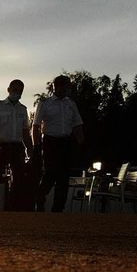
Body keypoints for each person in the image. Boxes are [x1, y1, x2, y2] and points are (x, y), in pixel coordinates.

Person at [32, 74, 85, 212]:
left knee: (64, 176)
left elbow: (77, 124)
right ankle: (40, 196)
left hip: (66, 142)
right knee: (50, 173)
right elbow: (36, 125)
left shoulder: (71, 104)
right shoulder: (45, 103)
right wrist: (36, 145)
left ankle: (58, 209)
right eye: (64, 86)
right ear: (56, 87)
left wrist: (81, 143)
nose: (66, 89)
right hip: (50, 141)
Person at [0, 79, 32, 211]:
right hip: (1, 145)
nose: (17, 93)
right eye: (15, 89)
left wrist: (30, 148)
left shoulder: (23, 109)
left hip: (17, 146)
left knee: (19, 178)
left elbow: (25, 131)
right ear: (9, 90)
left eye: (20, 90)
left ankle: (13, 207)